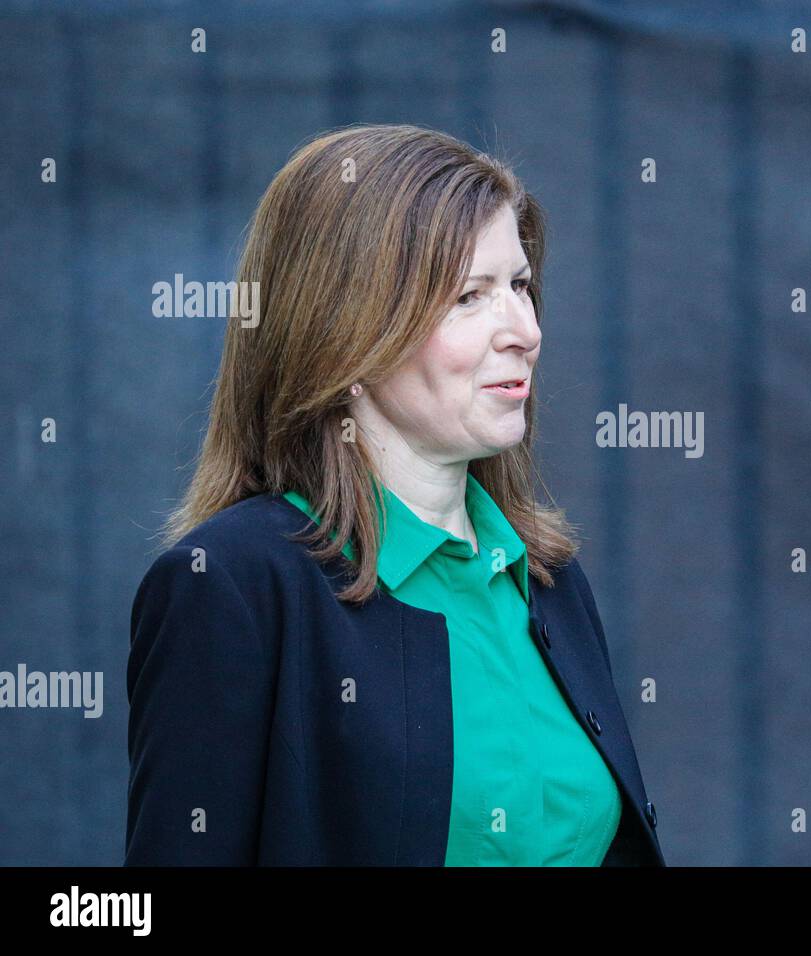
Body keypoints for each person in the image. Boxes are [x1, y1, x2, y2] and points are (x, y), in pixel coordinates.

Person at [126, 124, 663, 866]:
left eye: (519, 285)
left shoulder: (546, 579)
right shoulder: (233, 587)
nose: (525, 330)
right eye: (469, 296)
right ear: (347, 335)